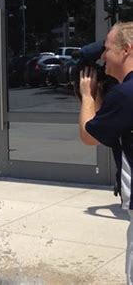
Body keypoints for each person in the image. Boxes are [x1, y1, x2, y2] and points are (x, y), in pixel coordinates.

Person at [78, 21, 133, 284]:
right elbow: (110, 124)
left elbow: (89, 135)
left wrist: (88, 96)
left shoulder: (124, 95)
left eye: (107, 49)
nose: (103, 57)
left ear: (126, 50)